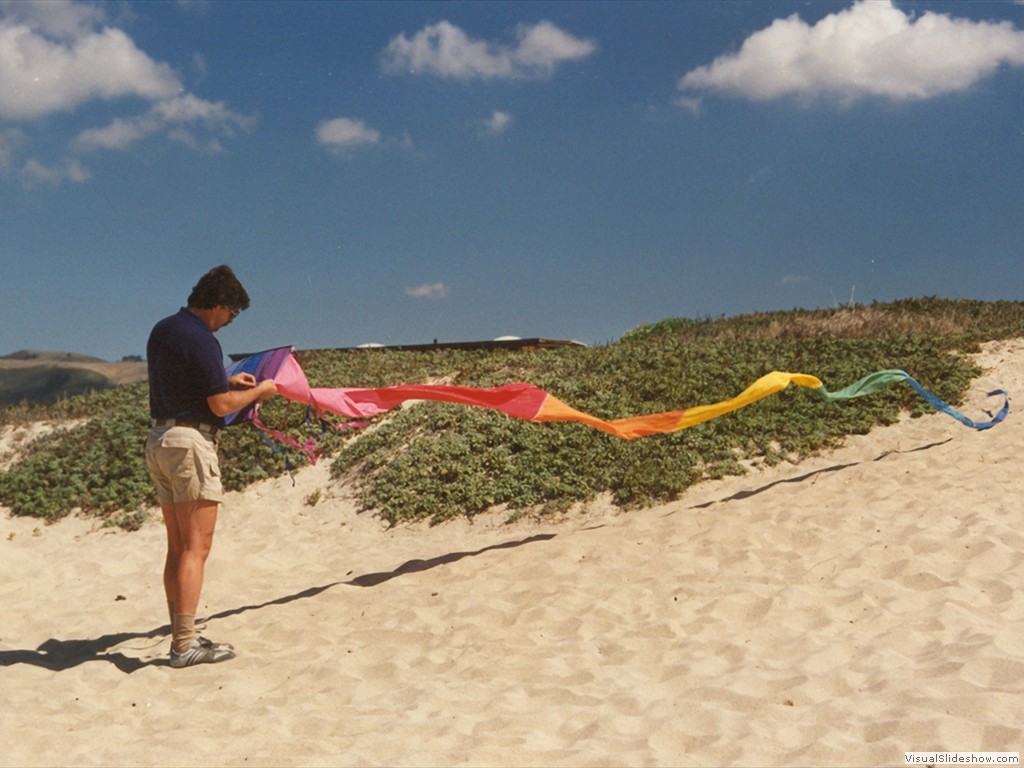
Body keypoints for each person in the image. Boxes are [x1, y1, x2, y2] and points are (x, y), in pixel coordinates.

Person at [145, 265, 277, 668]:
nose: (230, 321)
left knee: (176, 546)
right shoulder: (203, 339)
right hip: (189, 444)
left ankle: (181, 635)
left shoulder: (164, 329)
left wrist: (226, 382)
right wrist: (259, 391)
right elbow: (219, 406)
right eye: (232, 313)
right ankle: (184, 647)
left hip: (160, 440)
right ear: (218, 304)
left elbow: (191, 385)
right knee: (195, 548)